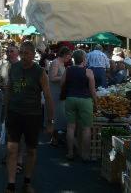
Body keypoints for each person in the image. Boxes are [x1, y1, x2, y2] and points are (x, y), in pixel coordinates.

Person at [5, 41, 54, 193]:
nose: (24, 56)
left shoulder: (40, 72)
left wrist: (50, 121)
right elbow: (9, 91)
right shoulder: (13, 68)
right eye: (22, 53)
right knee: (12, 148)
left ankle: (27, 182)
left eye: (27, 53)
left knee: (31, 150)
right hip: (14, 114)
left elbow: (48, 96)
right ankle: (11, 184)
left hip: (32, 116)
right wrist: (5, 112)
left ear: (33, 55)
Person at [61, 49, 97, 162]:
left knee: (70, 127)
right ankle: (85, 155)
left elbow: (62, 84)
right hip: (85, 100)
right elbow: (92, 91)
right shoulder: (88, 72)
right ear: (84, 59)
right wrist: (96, 103)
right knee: (86, 128)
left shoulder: (68, 69)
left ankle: (70, 153)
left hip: (70, 98)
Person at [48, 46, 72, 146]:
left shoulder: (61, 63)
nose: (70, 58)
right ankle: (54, 138)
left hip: (60, 91)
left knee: (60, 114)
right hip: (55, 92)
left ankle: (57, 137)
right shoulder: (56, 62)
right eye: (69, 56)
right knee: (56, 114)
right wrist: (65, 77)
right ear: (65, 55)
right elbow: (52, 77)